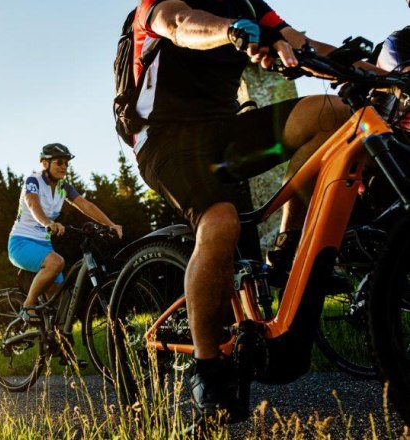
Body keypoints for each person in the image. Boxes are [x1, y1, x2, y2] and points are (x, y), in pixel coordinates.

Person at [128, 0, 380, 426]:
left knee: (337, 115)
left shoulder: (247, 4)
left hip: (226, 134)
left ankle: (287, 246)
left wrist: (381, 76)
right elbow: (181, 24)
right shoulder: (158, 4)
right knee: (220, 220)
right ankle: (207, 368)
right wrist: (232, 31)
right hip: (165, 141)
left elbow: (305, 48)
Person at [8, 143, 123, 323]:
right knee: (57, 262)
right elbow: (32, 204)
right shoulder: (33, 180)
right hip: (21, 242)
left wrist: (110, 224)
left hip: (44, 245)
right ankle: (27, 306)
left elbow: (86, 206)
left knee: (58, 298)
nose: (64, 166)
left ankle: (54, 340)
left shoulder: (64, 187)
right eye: (59, 162)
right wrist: (47, 222)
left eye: (66, 163)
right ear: (45, 164)